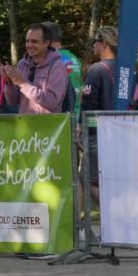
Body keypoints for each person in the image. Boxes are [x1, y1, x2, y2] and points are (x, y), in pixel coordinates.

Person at [80, 26, 118, 202]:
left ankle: (114, 217)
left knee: (88, 180)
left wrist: (82, 131)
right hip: (121, 134)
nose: (93, 44)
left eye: (95, 41)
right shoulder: (126, 69)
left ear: (104, 43)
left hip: (98, 135)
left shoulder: (97, 69)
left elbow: (87, 104)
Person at [2, 23, 70, 114]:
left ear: (46, 43)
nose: (29, 45)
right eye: (27, 41)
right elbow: (13, 101)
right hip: (25, 125)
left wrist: (22, 84)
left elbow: (51, 102)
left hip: (49, 126)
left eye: (34, 41)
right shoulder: (22, 63)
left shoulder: (57, 66)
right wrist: (8, 82)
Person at [43, 22, 82, 114]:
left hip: (60, 118)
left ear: (46, 40)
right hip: (75, 114)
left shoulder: (51, 59)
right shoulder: (74, 58)